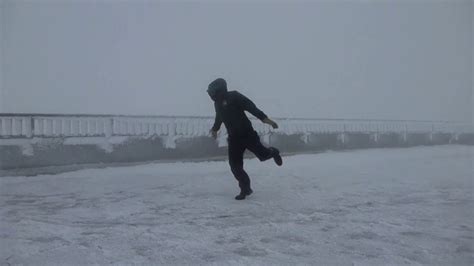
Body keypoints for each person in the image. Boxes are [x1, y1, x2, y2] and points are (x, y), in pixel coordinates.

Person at [207, 78, 283, 200]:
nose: (210, 95)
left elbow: (251, 107)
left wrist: (265, 120)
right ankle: (245, 188)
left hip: (248, 135)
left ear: (219, 90)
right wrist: (215, 129)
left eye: (212, 92)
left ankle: (273, 152)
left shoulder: (235, 96)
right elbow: (219, 117)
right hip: (234, 139)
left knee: (263, 156)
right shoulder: (217, 103)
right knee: (235, 167)